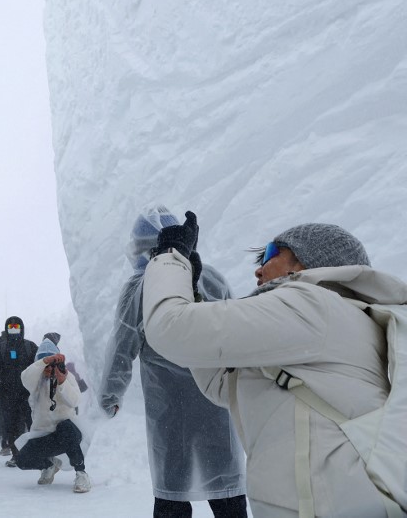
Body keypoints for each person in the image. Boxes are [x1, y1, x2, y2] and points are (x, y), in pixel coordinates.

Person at [143, 214, 405, 517]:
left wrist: (169, 256)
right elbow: (223, 385)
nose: (258, 268)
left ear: (307, 261)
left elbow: (170, 328)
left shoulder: (311, 304)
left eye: (269, 254)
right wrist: (193, 294)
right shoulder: (336, 320)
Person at [100, 206, 247, 518]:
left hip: (169, 411)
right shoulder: (212, 277)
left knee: (171, 496)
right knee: (227, 493)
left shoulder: (138, 288)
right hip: (216, 405)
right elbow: (236, 335)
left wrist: (110, 395)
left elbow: (122, 346)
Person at [14, 337, 92, 492]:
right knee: (21, 460)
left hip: (67, 434)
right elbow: (25, 377)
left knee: (65, 427)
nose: (49, 368)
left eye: (52, 364)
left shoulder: (67, 377)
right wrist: (44, 362)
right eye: (45, 363)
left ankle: (81, 473)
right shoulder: (36, 381)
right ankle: (48, 466)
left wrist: (62, 381)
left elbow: (75, 400)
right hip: (44, 436)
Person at [0, 316, 38, 466]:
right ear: (7, 329)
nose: (14, 331)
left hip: (27, 394)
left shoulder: (30, 346)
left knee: (32, 424)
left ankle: (35, 454)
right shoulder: (1, 348)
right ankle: (16, 456)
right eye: (11, 328)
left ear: (21, 329)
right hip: (7, 394)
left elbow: (39, 367)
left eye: (17, 328)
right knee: (10, 425)